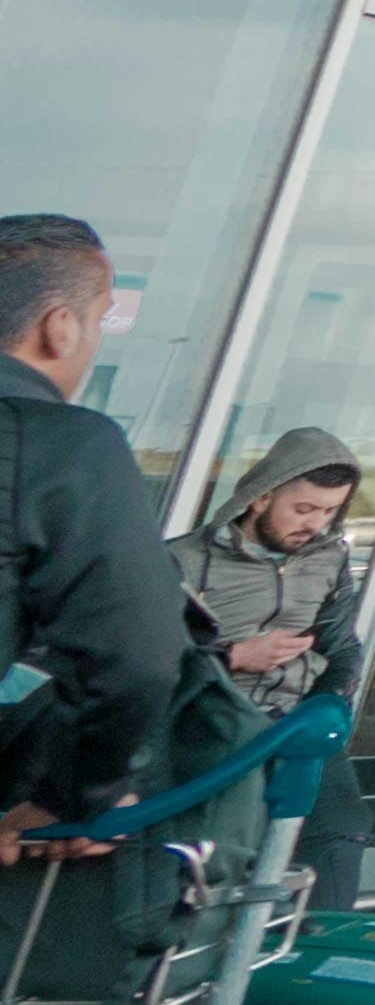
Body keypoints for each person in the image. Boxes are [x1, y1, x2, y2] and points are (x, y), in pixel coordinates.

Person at [0, 215, 184, 855]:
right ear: (60, 326)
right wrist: (74, 796)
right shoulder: (61, 443)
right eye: (101, 320)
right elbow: (136, 656)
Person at [174, 428, 367, 904]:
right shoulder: (180, 561)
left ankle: (316, 962)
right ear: (260, 498)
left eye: (328, 511)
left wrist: (329, 705)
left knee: (340, 836)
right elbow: (147, 660)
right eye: (303, 509)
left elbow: (342, 646)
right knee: (218, 860)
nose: (314, 524)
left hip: (298, 724)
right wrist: (236, 656)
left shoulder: (328, 560)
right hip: (213, 726)